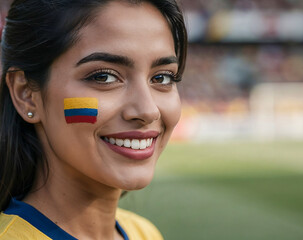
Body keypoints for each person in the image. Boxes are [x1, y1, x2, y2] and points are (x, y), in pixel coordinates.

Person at [0, 0, 187, 239]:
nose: (148, 111)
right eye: (104, 77)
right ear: (26, 94)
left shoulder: (144, 233)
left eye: (162, 78)